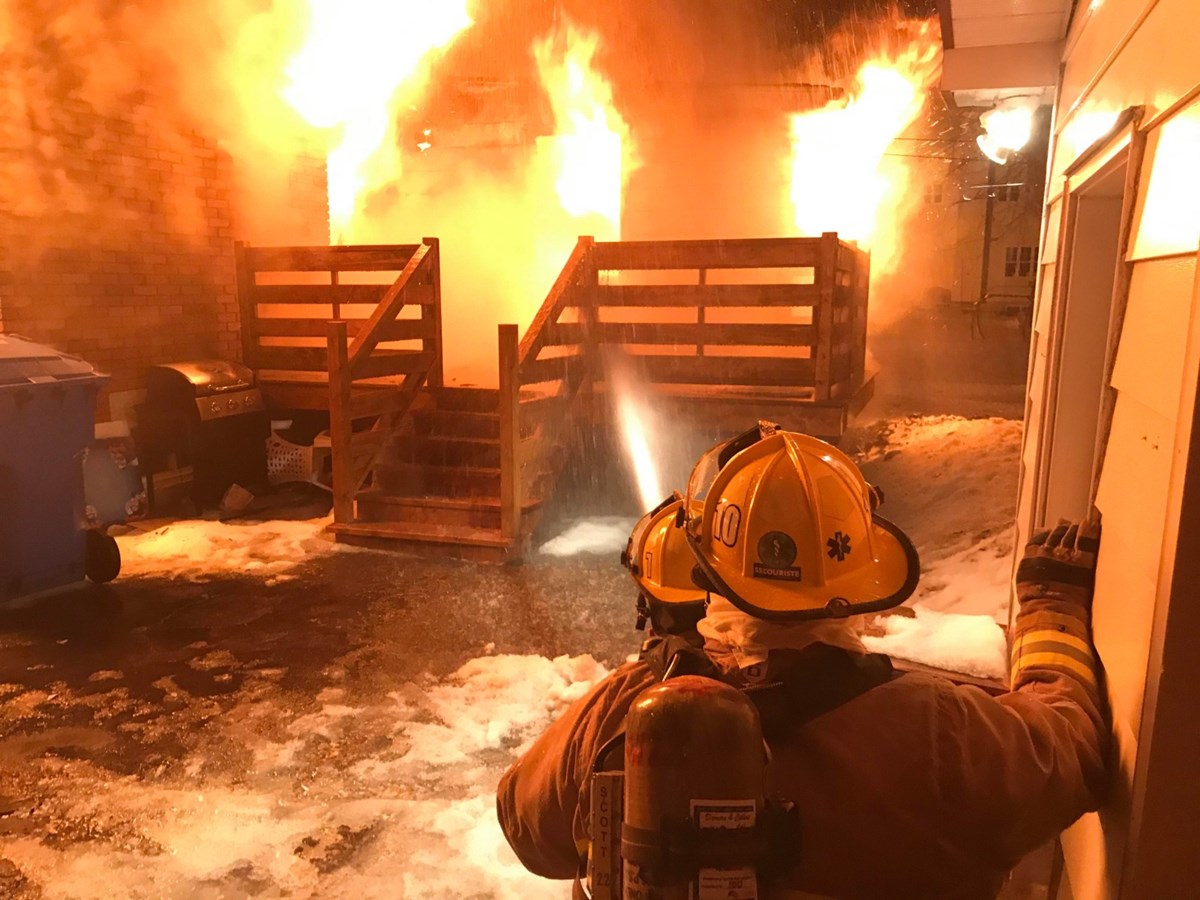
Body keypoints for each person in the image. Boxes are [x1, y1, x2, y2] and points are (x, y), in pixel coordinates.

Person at [497, 423, 1108, 899]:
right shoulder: (940, 734)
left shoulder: (624, 711)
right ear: (861, 575)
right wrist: (1051, 610)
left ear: (704, 569)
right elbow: (1073, 751)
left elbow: (527, 830)